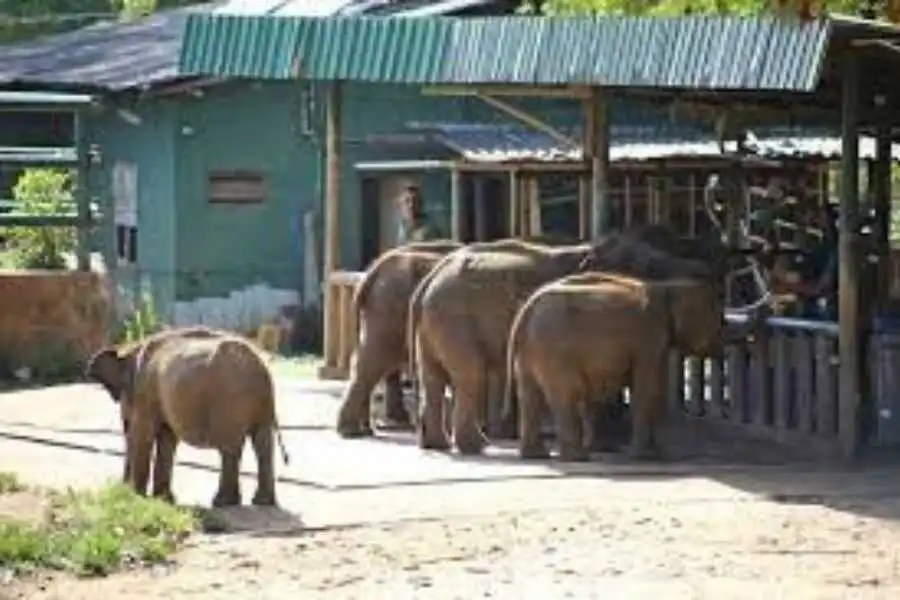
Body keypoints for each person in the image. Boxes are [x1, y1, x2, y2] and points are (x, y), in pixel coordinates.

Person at [789, 204, 839, 320]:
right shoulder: (821, 243)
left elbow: (825, 282)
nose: (817, 220)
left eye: (821, 217)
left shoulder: (836, 247)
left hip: (826, 294)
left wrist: (808, 288)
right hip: (814, 286)